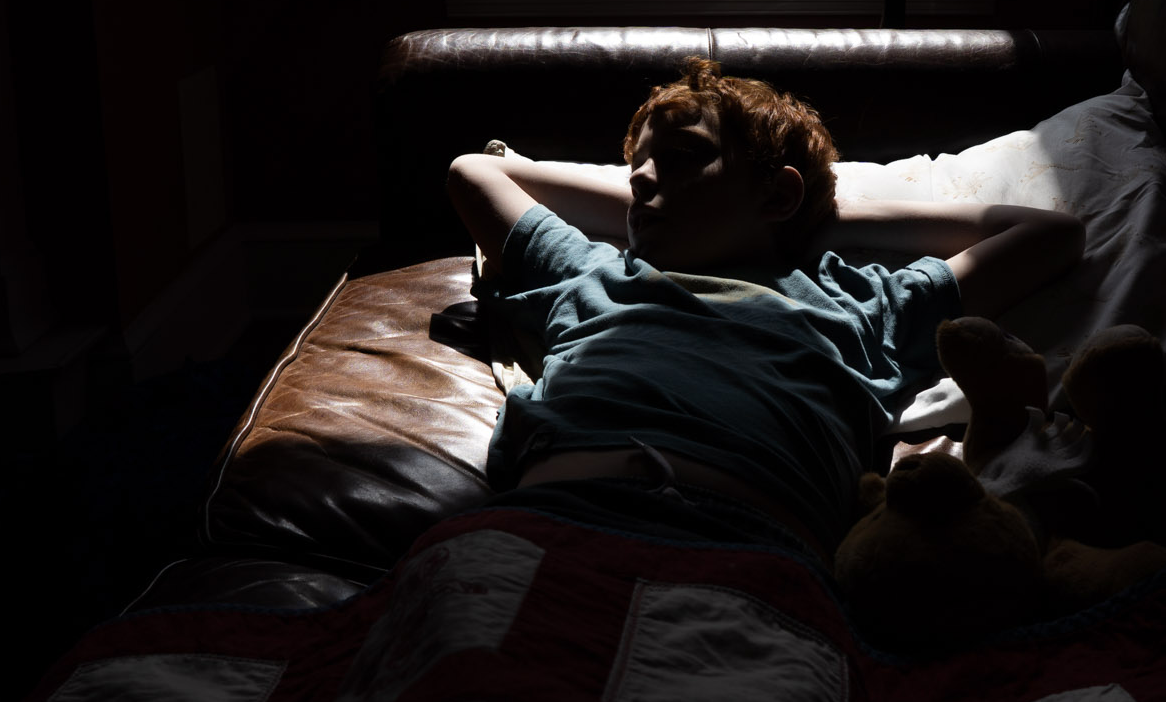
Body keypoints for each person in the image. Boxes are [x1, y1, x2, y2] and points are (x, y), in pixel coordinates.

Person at [445, 57, 1082, 567]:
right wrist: (661, 201)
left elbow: (1051, 233)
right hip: (547, 522)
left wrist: (818, 218)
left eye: (684, 156)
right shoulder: (596, 273)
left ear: (778, 192)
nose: (638, 178)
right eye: (635, 164)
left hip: (752, 549)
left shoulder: (857, 303)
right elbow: (475, 170)